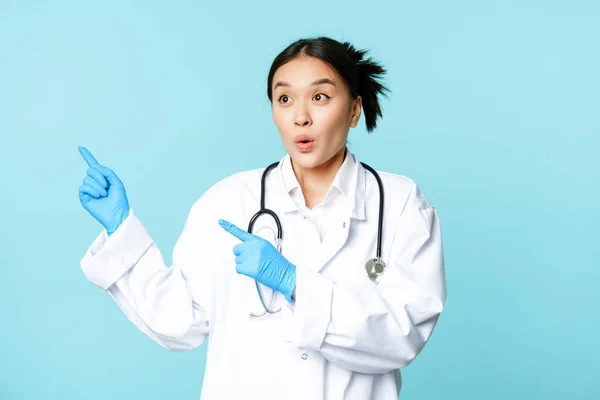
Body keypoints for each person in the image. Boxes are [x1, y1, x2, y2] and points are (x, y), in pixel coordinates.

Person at [77, 36, 447, 400]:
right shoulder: (228, 201)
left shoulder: (399, 203)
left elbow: (404, 333)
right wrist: (120, 229)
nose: (301, 117)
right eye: (284, 99)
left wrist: (293, 283)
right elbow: (177, 321)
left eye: (320, 97)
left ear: (354, 110)